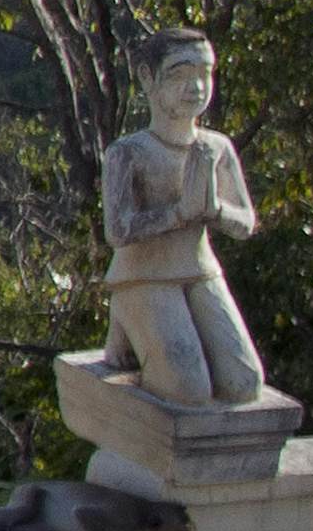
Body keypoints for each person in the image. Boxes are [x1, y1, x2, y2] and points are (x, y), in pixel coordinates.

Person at [99, 32, 270, 407]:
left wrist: (215, 210)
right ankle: (126, 317)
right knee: (186, 389)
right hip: (144, 275)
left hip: (199, 269)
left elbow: (245, 222)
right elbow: (118, 230)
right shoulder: (128, 153)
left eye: (205, 74)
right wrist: (178, 214)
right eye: (179, 74)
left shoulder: (215, 147)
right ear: (148, 77)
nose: (195, 87)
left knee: (243, 383)